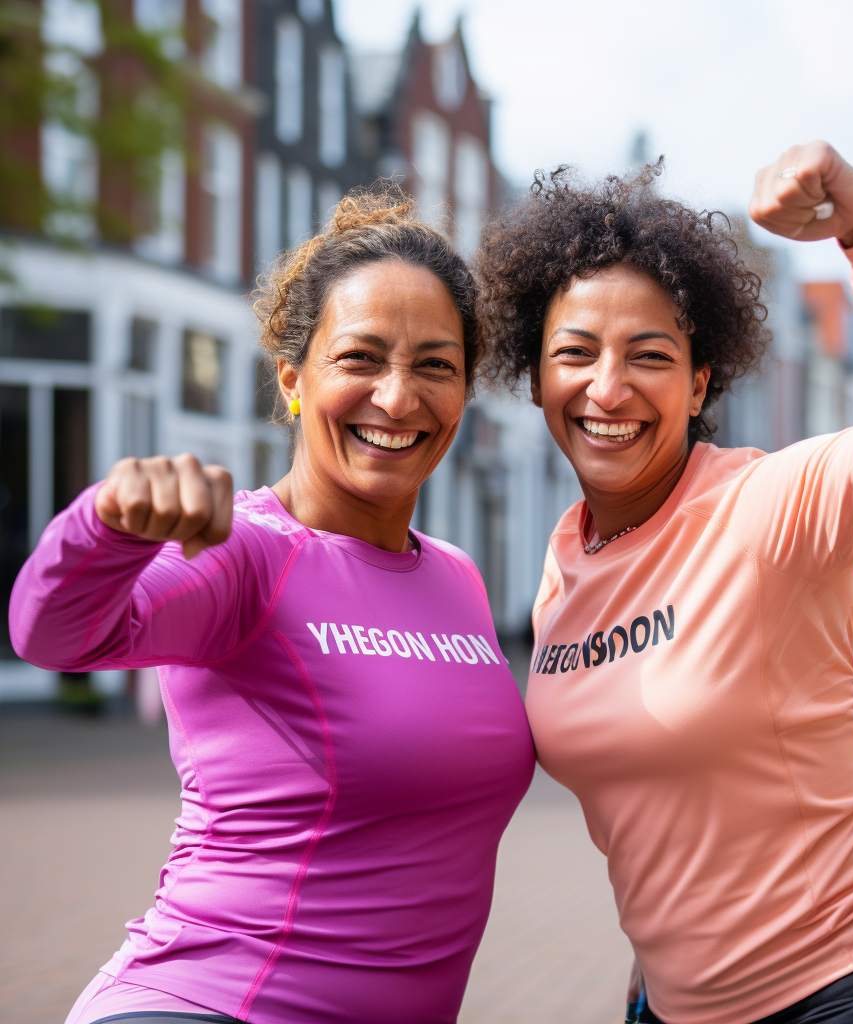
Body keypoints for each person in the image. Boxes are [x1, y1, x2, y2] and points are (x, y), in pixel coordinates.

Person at [477, 143, 853, 1023]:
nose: (608, 387)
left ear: (697, 382)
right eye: (575, 352)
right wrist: (662, 952)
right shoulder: (566, 567)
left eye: (648, 355)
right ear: (534, 378)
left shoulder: (761, 505)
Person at [10, 192, 535, 1024]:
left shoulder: (460, 578)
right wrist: (105, 524)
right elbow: (55, 633)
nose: (398, 399)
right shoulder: (244, 552)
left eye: (435, 365)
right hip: (212, 1003)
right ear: (293, 377)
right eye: (360, 358)